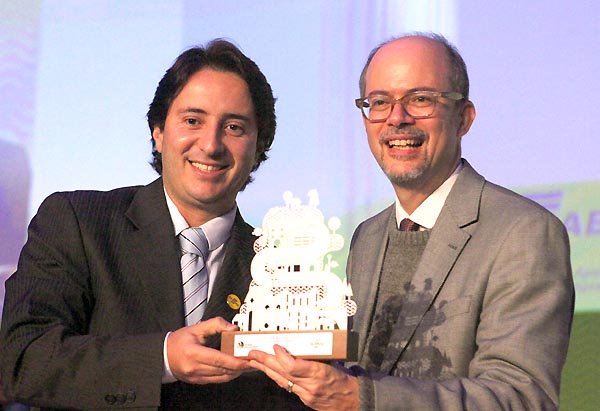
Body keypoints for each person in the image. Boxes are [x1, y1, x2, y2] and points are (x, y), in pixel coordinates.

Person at [248, 32, 574, 410]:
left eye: (421, 100)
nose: (397, 119)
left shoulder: (525, 233)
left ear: (464, 118)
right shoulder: (366, 237)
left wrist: (360, 398)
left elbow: (521, 398)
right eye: (380, 102)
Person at [0, 39, 307, 410]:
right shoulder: (77, 221)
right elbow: (23, 359)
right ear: (158, 132)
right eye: (193, 120)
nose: (210, 144)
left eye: (234, 127)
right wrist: (162, 358)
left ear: (260, 146)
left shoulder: (282, 267)